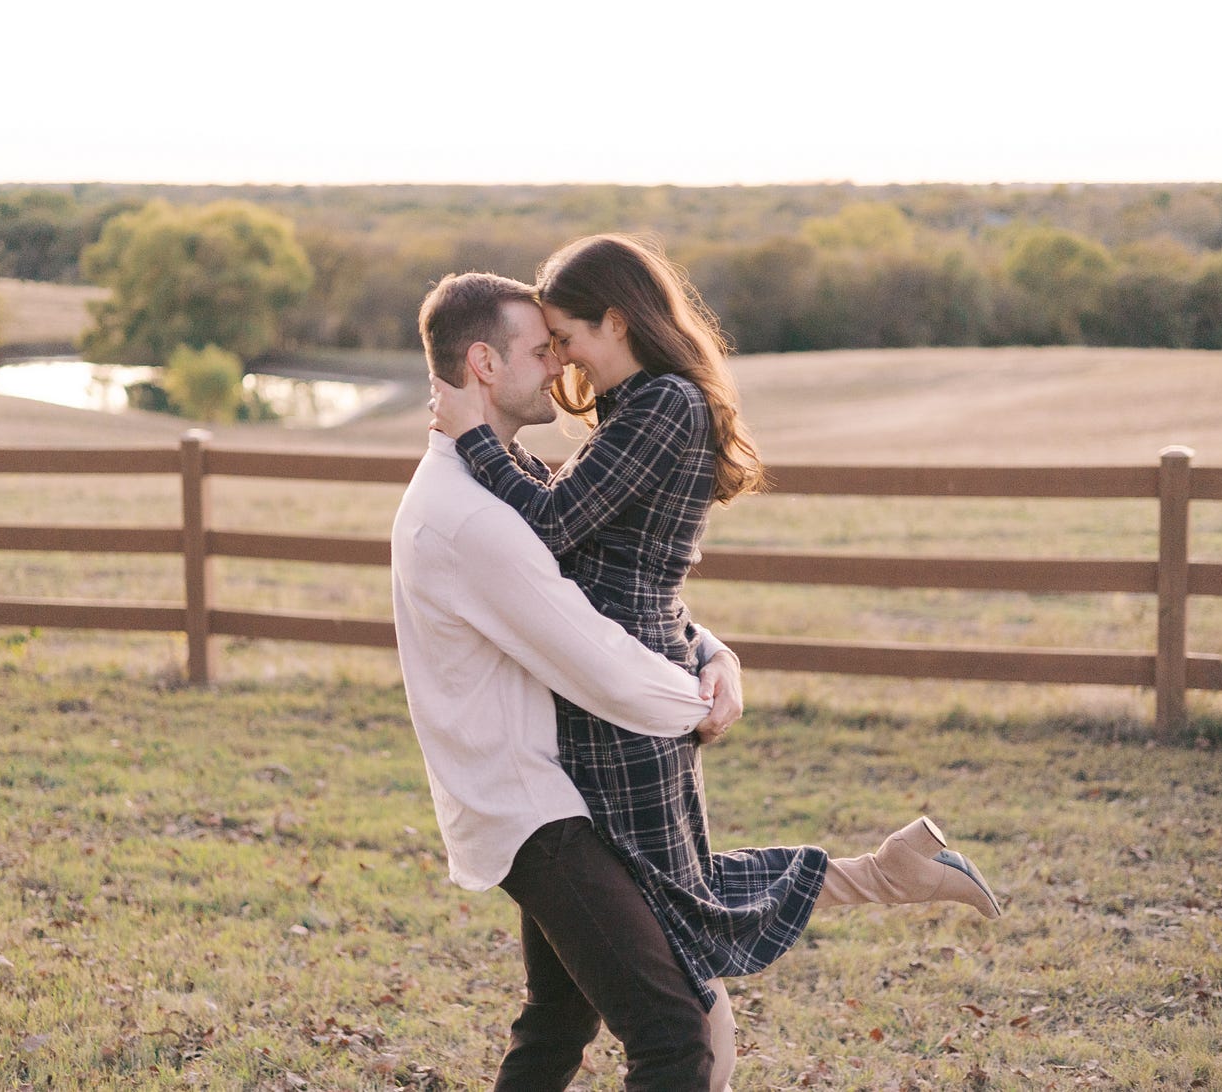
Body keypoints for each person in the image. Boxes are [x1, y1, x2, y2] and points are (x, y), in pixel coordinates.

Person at [431, 235, 1001, 1089]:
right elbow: (591, 536)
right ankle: (888, 871)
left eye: (569, 338)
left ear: (615, 321)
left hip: (620, 694)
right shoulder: (639, 407)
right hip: (610, 674)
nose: (563, 360)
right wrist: (706, 645)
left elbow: (551, 527)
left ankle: (887, 875)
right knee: (656, 915)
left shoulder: (665, 405)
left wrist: (475, 437)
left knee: (672, 922)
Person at [393, 270, 749, 1090]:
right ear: (484, 364)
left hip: (547, 791)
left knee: (557, 1022)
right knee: (671, 1035)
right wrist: (697, 701)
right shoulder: (473, 516)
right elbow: (598, 661)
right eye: (540, 349)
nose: (559, 365)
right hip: (534, 808)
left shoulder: (488, 480)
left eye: (562, 343)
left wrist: (709, 651)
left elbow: (593, 603)